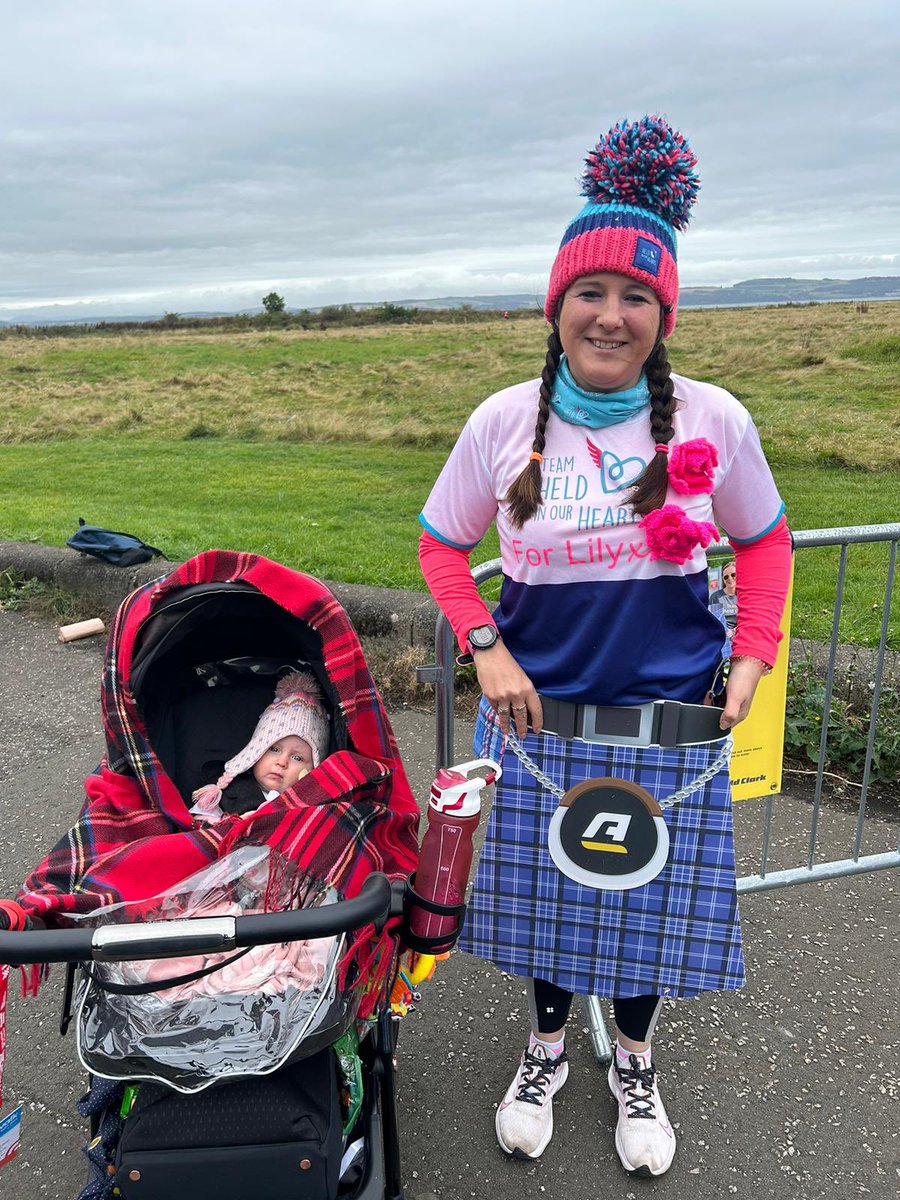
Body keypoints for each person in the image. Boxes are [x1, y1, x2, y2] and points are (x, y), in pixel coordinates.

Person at [417, 116, 792, 1177]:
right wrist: (484, 646)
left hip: (671, 715)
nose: (612, 315)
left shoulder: (714, 418)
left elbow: (766, 546)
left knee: (646, 911)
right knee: (548, 913)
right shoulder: (502, 421)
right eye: (592, 293)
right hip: (540, 719)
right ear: (558, 305)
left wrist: (754, 657)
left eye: (637, 297)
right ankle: (543, 1050)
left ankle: (633, 1058)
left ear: (663, 313)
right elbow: (441, 546)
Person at [190, 670, 330, 821]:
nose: (282, 762)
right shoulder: (227, 792)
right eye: (274, 749)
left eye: (297, 757)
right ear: (255, 751)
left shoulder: (311, 807)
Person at [709, 559, 738, 652]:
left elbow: (749, 619)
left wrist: (735, 631)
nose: (730, 578)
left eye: (733, 574)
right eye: (726, 577)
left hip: (741, 634)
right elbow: (715, 619)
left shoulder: (744, 595)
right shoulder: (716, 596)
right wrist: (727, 632)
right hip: (723, 635)